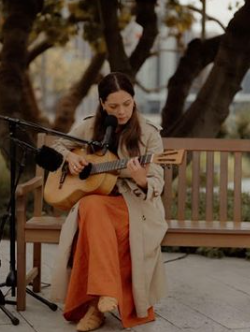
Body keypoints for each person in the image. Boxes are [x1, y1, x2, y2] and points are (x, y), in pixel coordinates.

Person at [49, 72, 168, 331]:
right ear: (102, 104)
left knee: (98, 219)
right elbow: (56, 145)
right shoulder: (91, 127)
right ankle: (104, 295)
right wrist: (69, 157)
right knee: (91, 207)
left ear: (134, 100)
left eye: (127, 103)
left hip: (137, 206)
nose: (122, 111)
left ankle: (95, 309)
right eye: (114, 106)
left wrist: (141, 179)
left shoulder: (148, 133)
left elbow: (157, 182)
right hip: (101, 203)